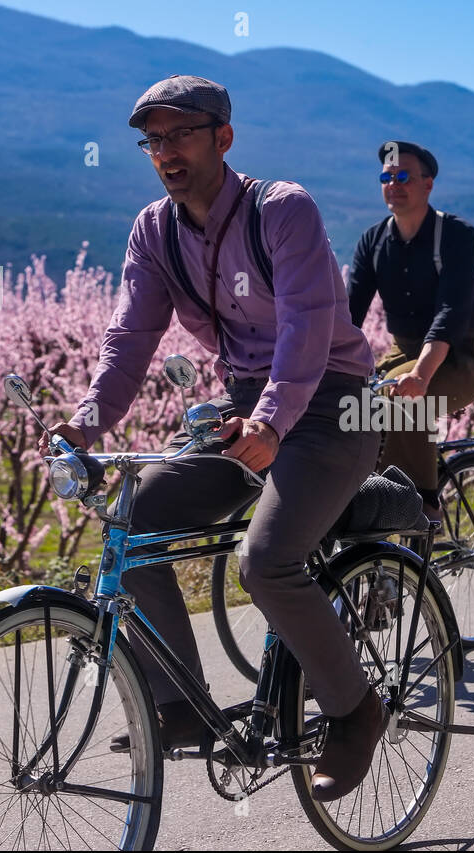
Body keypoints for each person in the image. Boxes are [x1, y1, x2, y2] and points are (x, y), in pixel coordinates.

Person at [39, 74, 384, 802]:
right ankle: (178, 706)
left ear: (223, 138)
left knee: (267, 562)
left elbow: (306, 328)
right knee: (131, 525)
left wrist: (272, 420)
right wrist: (86, 422)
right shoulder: (154, 231)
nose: (165, 152)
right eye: (152, 140)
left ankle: (356, 711)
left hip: (332, 406)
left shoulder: (282, 210)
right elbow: (130, 338)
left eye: (181, 134)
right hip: (242, 410)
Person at [346, 141, 474, 520]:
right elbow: (348, 316)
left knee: (400, 400)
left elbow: (451, 312)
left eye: (404, 176)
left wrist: (422, 375)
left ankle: (418, 506)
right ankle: (359, 497)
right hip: (402, 352)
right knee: (351, 404)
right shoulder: (373, 241)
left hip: (461, 357)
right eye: (387, 177)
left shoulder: (456, 235)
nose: (394, 184)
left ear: (428, 184)